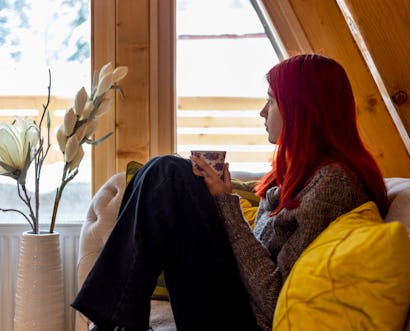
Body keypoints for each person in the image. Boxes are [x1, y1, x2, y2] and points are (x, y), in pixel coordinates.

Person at [72, 53, 388, 331]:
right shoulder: (298, 175)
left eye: (272, 100)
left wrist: (226, 203)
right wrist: (216, 200)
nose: (263, 112)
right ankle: (116, 322)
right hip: (238, 304)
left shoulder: (333, 185)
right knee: (161, 174)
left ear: (302, 109)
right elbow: (258, 254)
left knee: (169, 173)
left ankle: (111, 322)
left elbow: (275, 298)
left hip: (248, 322)